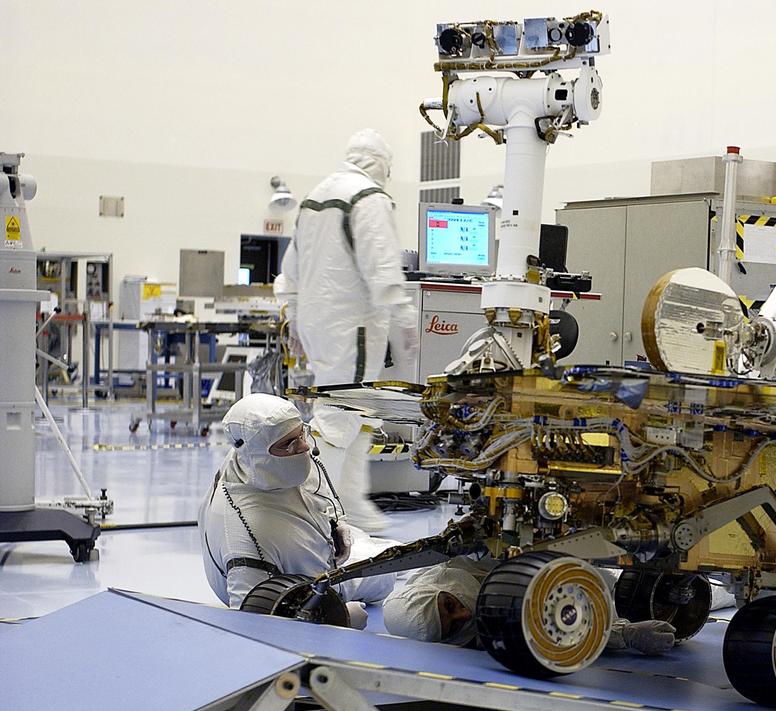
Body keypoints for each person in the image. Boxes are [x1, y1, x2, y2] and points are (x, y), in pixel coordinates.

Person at [275, 129, 419, 532]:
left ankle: (351, 503)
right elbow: (384, 269)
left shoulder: (314, 196)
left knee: (359, 414)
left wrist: (295, 316)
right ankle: (314, 509)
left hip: (319, 324)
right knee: (340, 417)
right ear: (380, 164)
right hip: (352, 326)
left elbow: (292, 270)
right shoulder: (367, 197)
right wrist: (405, 323)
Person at [200, 394, 395, 627]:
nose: (303, 446)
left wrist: (337, 522)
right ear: (258, 453)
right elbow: (251, 618)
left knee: (385, 548)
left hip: (321, 553)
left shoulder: (265, 461)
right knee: (387, 571)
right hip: (299, 593)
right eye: (289, 443)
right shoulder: (244, 532)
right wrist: (338, 617)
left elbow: (318, 487)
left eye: (301, 434)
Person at [383, 556, 681, 655]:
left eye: (449, 605)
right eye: (453, 626)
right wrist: (622, 634)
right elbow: (561, 627)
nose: (465, 614)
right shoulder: (490, 632)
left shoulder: (459, 561)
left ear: (440, 589)